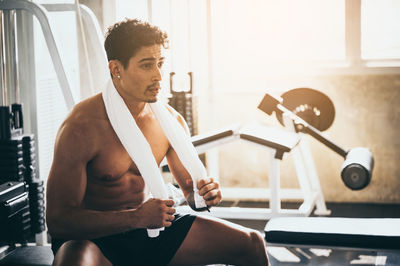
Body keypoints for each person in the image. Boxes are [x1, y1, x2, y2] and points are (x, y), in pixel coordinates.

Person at [46, 18, 269, 266]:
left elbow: (192, 194)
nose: (158, 76)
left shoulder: (169, 122)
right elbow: (58, 220)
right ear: (116, 68)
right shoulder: (81, 127)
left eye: (160, 63)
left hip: (150, 229)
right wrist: (135, 218)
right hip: (94, 240)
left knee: (252, 243)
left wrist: (206, 194)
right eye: (146, 65)